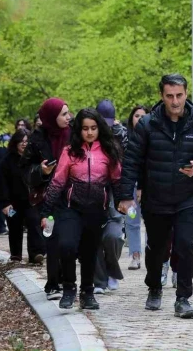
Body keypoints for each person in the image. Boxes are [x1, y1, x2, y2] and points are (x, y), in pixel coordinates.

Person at [118, 74, 193, 318]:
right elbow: (131, 161)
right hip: (156, 198)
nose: (175, 101)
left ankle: (183, 298)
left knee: (185, 245)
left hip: (187, 198)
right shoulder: (147, 125)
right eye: (169, 96)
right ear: (162, 96)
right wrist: (125, 196)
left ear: (186, 94)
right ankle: (154, 286)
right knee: (157, 249)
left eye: (179, 95)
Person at [40, 108, 123, 310]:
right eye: (85, 128)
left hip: (96, 210)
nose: (89, 132)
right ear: (79, 130)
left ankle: (88, 293)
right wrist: (46, 213)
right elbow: (57, 182)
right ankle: (69, 288)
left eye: (93, 128)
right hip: (71, 209)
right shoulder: (69, 152)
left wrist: (123, 202)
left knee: (89, 253)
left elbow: (117, 181)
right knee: (67, 246)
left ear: (99, 128)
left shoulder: (108, 151)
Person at [22, 97, 72, 300]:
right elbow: (25, 170)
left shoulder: (74, 135)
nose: (68, 117)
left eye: (68, 113)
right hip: (47, 199)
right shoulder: (36, 139)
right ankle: (53, 283)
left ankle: (68, 281)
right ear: (52, 117)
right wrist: (41, 171)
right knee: (52, 239)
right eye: (63, 114)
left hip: (71, 195)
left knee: (67, 240)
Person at [93, 100, 128, 294]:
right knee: (95, 237)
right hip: (93, 191)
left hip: (115, 191)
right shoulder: (88, 134)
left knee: (113, 236)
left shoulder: (122, 136)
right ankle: (99, 281)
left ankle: (112, 271)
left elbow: (129, 164)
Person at [0, 129, 45, 263]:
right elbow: (2, 184)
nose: (24, 144)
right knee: (14, 225)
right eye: (21, 141)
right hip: (12, 203)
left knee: (34, 221)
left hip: (31, 201)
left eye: (26, 141)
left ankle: (36, 254)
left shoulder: (34, 159)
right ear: (15, 143)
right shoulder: (6, 161)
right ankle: (16, 254)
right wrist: (5, 203)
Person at [124, 105, 148, 270]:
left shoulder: (152, 137)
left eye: (143, 116)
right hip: (130, 188)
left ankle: (152, 254)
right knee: (131, 221)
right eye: (136, 115)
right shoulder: (125, 138)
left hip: (148, 186)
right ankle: (135, 255)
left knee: (152, 222)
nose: (139, 118)